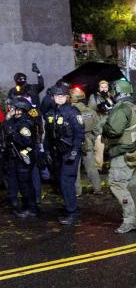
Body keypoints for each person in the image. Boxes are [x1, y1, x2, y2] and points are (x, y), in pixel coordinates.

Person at [102, 79, 136, 234]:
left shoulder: (121, 108)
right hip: (135, 152)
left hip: (122, 153)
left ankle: (129, 220)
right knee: (132, 186)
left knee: (118, 185)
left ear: (117, 91)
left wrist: (105, 121)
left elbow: (113, 130)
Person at [45, 84, 84, 225]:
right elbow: (48, 136)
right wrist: (47, 151)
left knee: (66, 182)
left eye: (62, 96)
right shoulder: (51, 113)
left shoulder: (73, 112)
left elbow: (79, 134)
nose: (59, 98)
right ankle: (70, 207)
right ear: (53, 97)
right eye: (57, 96)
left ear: (67, 97)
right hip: (57, 153)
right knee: (60, 182)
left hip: (69, 152)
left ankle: (72, 212)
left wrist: (74, 152)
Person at [4, 96, 40, 217]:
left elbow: (26, 141)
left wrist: (13, 134)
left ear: (20, 109)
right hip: (18, 157)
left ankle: (31, 208)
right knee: (22, 183)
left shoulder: (24, 123)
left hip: (24, 156)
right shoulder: (16, 121)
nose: (11, 110)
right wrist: (8, 121)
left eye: (14, 108)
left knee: (25, 183)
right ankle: (28, 206)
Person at [70, 86, 102, 196]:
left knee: (75, 169)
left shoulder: (70, 112)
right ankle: (97, 188)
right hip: (88, 142)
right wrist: (91, 137)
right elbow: (98, 128)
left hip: (74, 143)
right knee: (91, 167)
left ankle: (77, 192)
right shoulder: (91, 111)